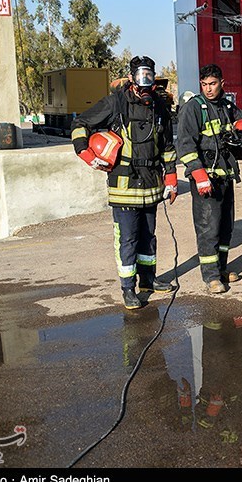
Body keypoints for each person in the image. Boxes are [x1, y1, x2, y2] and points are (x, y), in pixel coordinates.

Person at [71, 55, 177, 310]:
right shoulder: (115, 103)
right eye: (141, 76)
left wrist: (171, 177)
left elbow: (168, 146)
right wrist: (85, 153)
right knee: (127, 238)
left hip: (152, 184)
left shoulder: (159, 107)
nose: (145, 81)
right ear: (131, 77)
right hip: (124, 184)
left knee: (148, 236)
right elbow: (80, 123)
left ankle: (148, 281)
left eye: (149, 75)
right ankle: (128, 289)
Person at [176, 63, 242, 294]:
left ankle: (222, 268)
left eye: (212, 84)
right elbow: (184, 144)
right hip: (205, 179)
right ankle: (211, 276)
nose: (208, 89)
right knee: (208, 229)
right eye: (204, 84)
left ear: (222, 83)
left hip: (225, 176)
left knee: (225, 228)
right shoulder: (193, 108)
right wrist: (199, 174)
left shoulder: (227, 105)